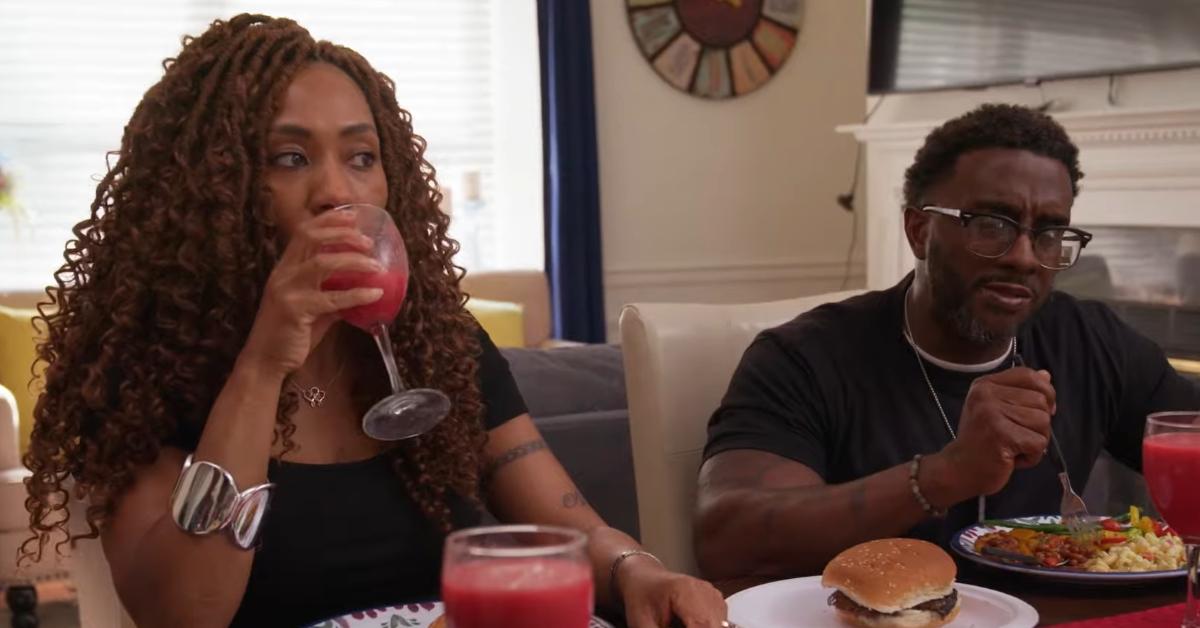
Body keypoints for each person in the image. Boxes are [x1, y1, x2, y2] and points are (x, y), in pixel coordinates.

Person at [21, 14, 726, 628]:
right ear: (212, 186)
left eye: (361, 157)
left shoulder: (437, 342)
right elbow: (184, 615)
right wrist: (264, 363)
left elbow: (563, 521)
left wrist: (637, 569)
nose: (336, 191)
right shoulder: (148, 371)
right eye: (290, 158)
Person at [693, 103, 1200, 587]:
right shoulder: (804, 357)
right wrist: (945, 474)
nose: (1024, 257)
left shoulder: (1090, 341)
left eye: (1049, 232)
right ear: (919, 230)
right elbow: (727, 537)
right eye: (991, 224)